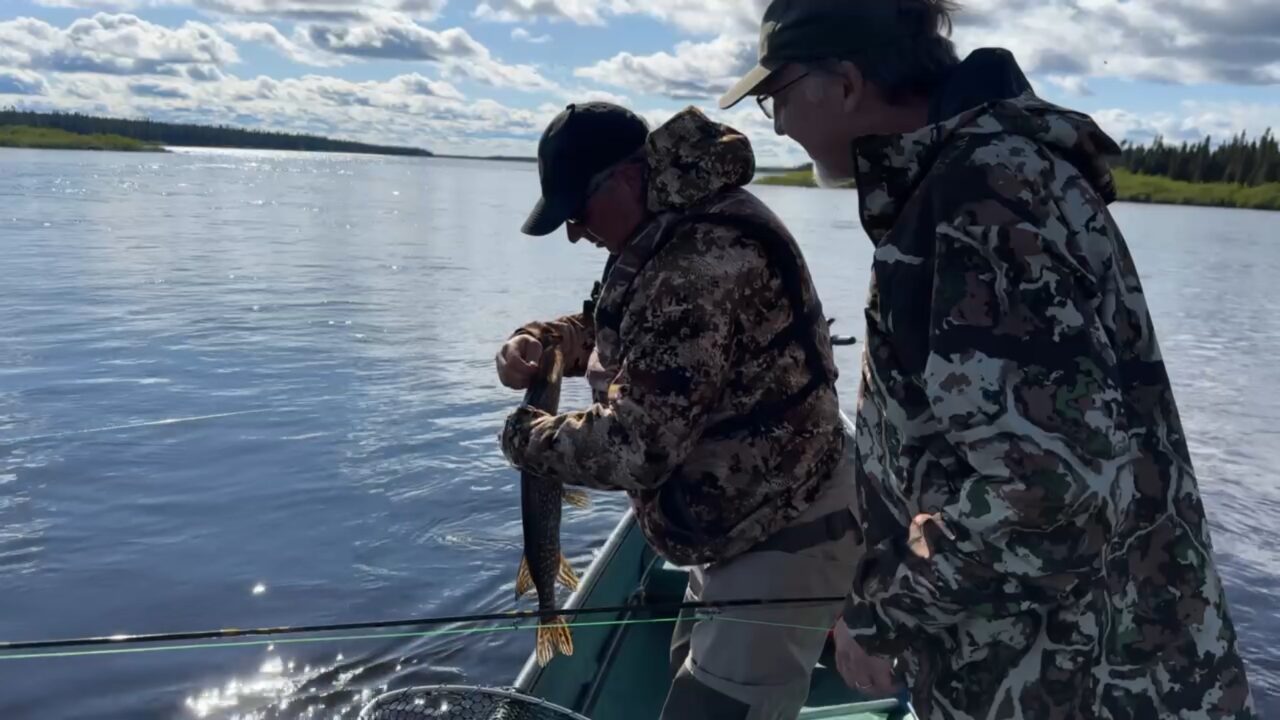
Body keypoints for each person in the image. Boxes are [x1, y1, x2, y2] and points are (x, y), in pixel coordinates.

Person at [719, 1, 1258, 718]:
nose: (779, 124)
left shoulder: (978, 201)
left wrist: (883, 617)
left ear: (844, 84)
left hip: (1073, 685)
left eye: (777, 96)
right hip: (1087, 663)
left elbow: (1047, 497)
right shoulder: (989, 175)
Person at [496, 100, 859, 720]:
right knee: (691, 680)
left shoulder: (695, 263)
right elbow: (625, 327)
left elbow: (638, 447)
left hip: (784, 524)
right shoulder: (671, 224)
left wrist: (524, 439)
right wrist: (543, 341)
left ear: (625, 178)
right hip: (739, 515)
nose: (575, 232)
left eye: (577, 210)